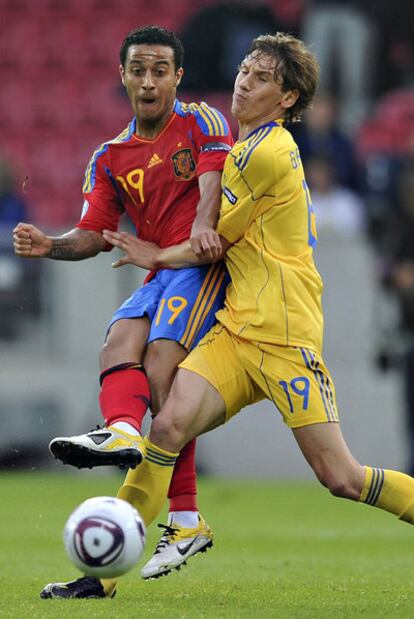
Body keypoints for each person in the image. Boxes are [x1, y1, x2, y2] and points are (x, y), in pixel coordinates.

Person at [40, 31, 414, 599]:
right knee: (166, 425)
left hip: (285, 337)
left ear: (287, 98)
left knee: (342, 477)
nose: (244, 83)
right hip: (237, 332)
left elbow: (205, 242)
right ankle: (104, 575)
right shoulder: (237, 149)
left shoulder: (269, 151)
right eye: (244, 71)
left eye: (262, 78)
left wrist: (154, 253)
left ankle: (180, 520)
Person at [13, 26, 234, 586]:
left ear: (177, 76)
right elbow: (93, 233)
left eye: (160, 69)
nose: (149, 80)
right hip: (159, 269)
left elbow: (211, 184)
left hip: (198, 265)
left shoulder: (201, 122)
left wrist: (203, 230)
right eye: (139, 69)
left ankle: (182, 515)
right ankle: (125, 436)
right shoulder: (110, 156)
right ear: (123, 76)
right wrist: (51, 245)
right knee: (116, 345)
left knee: (161, 370)